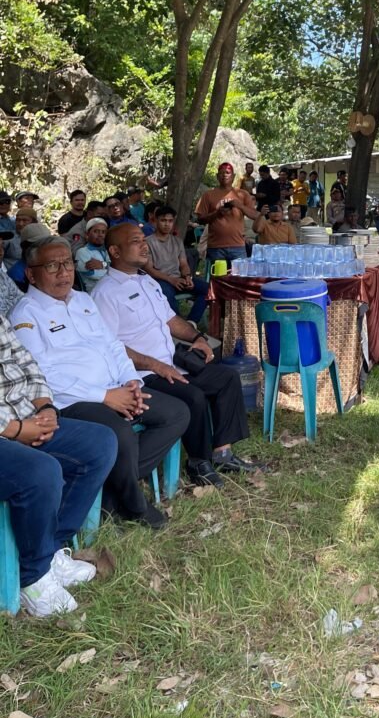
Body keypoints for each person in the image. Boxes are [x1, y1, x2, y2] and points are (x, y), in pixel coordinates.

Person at [11, 236, 189, 529]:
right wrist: (105, 395)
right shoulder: (26, 314)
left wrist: (131, 382)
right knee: (118, 432)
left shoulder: (82, 300)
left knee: (176, 413)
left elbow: (113, 346)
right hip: (71, 401)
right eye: (52, 266)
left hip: (117, 388)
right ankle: (134, 506)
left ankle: (110, 488)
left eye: (67, 263)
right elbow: (41, 374)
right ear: (31, 274)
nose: (64, 272)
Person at [93, 224, 257, 486]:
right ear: (114, 251)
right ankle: (198, 463)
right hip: (143, 374)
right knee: (193, 396)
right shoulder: (105, 293)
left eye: (143, 240)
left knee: (226, 377)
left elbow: (170, 319)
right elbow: (110, 346)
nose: (144, 245)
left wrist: (197, 337)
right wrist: (154, 365)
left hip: (173, 362)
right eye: (136, 241)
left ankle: (222, 453)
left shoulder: (147, 280)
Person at [0, 314, 118, 616]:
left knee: (100, 444)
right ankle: (33, 578)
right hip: (6, 427)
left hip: (26, 417)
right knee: (40, 472)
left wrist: (46, 407)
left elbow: (25, 362)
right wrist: (12, 429)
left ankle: (48, 552)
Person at [145, 206, 208, 324]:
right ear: (156, 221)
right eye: (163, 220)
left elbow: (183, 264)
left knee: (209, 290)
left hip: (179, 278)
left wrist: (187, 276)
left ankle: (191, 323)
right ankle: (177, 327)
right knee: (166, 293)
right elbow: (149, 269)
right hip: (159, 280)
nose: (167, 224)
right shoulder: (147, 242)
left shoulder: (177, 241)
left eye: (170, 221)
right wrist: (171, 280)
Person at [195, 162, 262, 266]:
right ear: (217, 176)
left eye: (227, 172)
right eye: (221, 173)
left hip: (238, 246)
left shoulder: (242, 194)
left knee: (239, 278)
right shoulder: (208, 195)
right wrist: (217, 213)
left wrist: (239, 206)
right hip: (216, 247)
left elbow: (255, 215)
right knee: (218, 279)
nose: (224, 175)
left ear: (233, 176)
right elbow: (200, 219)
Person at [73, 217, 111, 293]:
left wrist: (102, 265)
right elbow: (95, 275)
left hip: (110, 288)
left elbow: (118, 268)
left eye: (103, 232)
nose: (100, 235)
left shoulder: (107, 250)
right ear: (87, 234)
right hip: (94, 292)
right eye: (96, 231)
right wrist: (109, 266)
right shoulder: (82, 252)